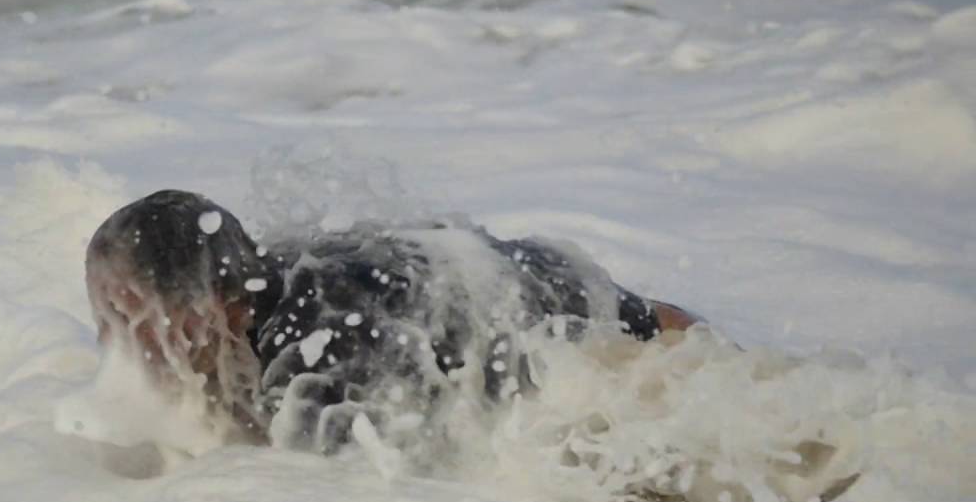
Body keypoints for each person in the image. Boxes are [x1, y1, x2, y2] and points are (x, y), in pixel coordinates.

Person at [85, 189, 699, 455]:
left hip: (564, 313)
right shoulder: (258, 285)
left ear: (220, 306)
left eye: (128, 315)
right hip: (471, 274)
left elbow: (416, 488)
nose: (109, 340)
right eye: (102, 314)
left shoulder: (316, 361)